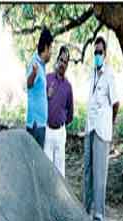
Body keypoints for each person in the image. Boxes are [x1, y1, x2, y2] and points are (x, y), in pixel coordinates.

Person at [83, 36, 119, 221]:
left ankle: (98, 216)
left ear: (105, 54)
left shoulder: (109, 75)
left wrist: (109, 123)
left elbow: (116, 104)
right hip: (89, 127)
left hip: (102, 131)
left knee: (99, 175)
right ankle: (85, 211)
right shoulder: (93, 75)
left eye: (100, 52)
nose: (97, 55)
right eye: (95, 52)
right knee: (87, 171)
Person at [43, 46, 74, 178]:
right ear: (57, 60)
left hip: (60, 133)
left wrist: (61, 121)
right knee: (47, 169)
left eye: (65, 62)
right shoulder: (47, 79)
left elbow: (70, 113)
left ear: (67, 65)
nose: (62, 64)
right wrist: (46, 95)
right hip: (48, 131)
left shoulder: (68, 87)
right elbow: (39, 102)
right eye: (61, 60)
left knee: (60, 171)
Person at [26, 28, 53, 148]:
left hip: (41, 123)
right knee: (34, 162)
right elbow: (29, 84)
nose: (51, 53)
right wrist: (33, 73)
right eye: (51, 48)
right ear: (46, 47)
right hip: (36, 124)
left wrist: (47, 95)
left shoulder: (42, 66)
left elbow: (36, 92)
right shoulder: (35, 63)